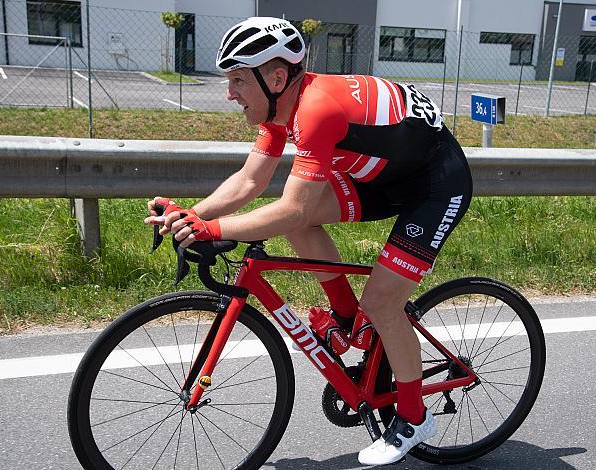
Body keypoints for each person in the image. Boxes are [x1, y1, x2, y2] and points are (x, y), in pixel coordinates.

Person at [145, 17, 472, 466]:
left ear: (276, 77)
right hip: (381, 173)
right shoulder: (280, 107)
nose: (230, 93)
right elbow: (249, 181)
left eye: (239, 80)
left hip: (434, 183)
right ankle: (346, 317)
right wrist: (193, 215)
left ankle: (415, 419)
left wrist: (215, 231)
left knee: (383, 302)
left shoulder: (316, 109)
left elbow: (293, 207)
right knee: (292, 222)